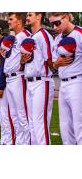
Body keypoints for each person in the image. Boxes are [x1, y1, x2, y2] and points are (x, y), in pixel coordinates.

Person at [21, 12, 55, 145]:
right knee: (32, 123)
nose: (27, 17)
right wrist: (22, 61)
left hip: (42, 81)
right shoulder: (31, 37)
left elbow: (50, 59)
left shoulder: (44, 35)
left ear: (39, 16)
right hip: (29, 81)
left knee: (40, 123)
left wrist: (55, 69)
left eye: (30, 14)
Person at [48, 12, 82, 144]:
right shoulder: (57, 39)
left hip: (78, 81)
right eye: (52, 24)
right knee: (65, 127)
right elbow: (53, 66)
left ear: (66, 17)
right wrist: (56, 64)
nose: (55, 27)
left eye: (57, 22)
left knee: (79, 126)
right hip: (63, 84)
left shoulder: (79, 33)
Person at [2, 12, 31, 145]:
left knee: (22, 114)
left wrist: (23, 64)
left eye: (11, 19)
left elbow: (29, 57)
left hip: (19, 78)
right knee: (14, 115)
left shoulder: (26, 36)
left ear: (19, 21)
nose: (8, 21)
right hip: (9, 78)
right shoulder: (14, 38)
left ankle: (26, 144)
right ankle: (19, 143)